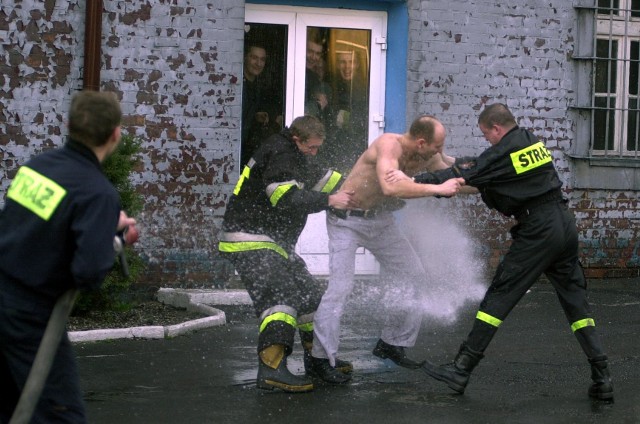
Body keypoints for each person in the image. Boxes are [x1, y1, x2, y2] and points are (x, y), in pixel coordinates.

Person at [404, 103, 613, 400]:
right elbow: (483, 166)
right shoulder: (529, 141)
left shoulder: (503, 150)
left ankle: (461, 368)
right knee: (576, 304)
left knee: (499, 296)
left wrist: (409, 182)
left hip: (538, 229)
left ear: (496, 128)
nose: (487, 139)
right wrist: (455, 164)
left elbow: (468, 173)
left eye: (486, 134)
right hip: (563, 225)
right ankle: (602, 375)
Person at [0, 90, 137, 423]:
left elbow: (40, 226)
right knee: (61, 415)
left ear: (69, 125)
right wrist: (114, 239)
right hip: (29, 320)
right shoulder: (97, 192)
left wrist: (100, 226)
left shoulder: (38, 166)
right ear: (115, 134)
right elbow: (87, 272)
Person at [308, 115, 466, 384]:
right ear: (421, 142)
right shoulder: (388, 145)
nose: (441, 151)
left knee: (414, 274)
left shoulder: (427, 156)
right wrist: (438, 188)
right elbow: (391, 186)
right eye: (437, 146)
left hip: (380, 222)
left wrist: (492, 185)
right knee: (340, 288)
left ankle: (392, 342)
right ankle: (320, 360)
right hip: (347, 221)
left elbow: (458, 179)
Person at [218, 115, 358, 393]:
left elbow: (335, 183)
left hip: (273, 243)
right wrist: (330, 201)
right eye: (312, 147)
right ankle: (272, 369)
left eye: (318, 148)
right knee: (280, 297)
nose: (314, 152)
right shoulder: (281, 152)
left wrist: (374, 188)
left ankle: (317, 360)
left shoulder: (297, 156)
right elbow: (284, 198)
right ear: (297, 139)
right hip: (249, 238)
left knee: (309, 296)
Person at [241, 42, 281, 166]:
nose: (258, 64)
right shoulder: (237, 84)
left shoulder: (259, 87)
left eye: (262, 59)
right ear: (244, 57)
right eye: (254, 58)